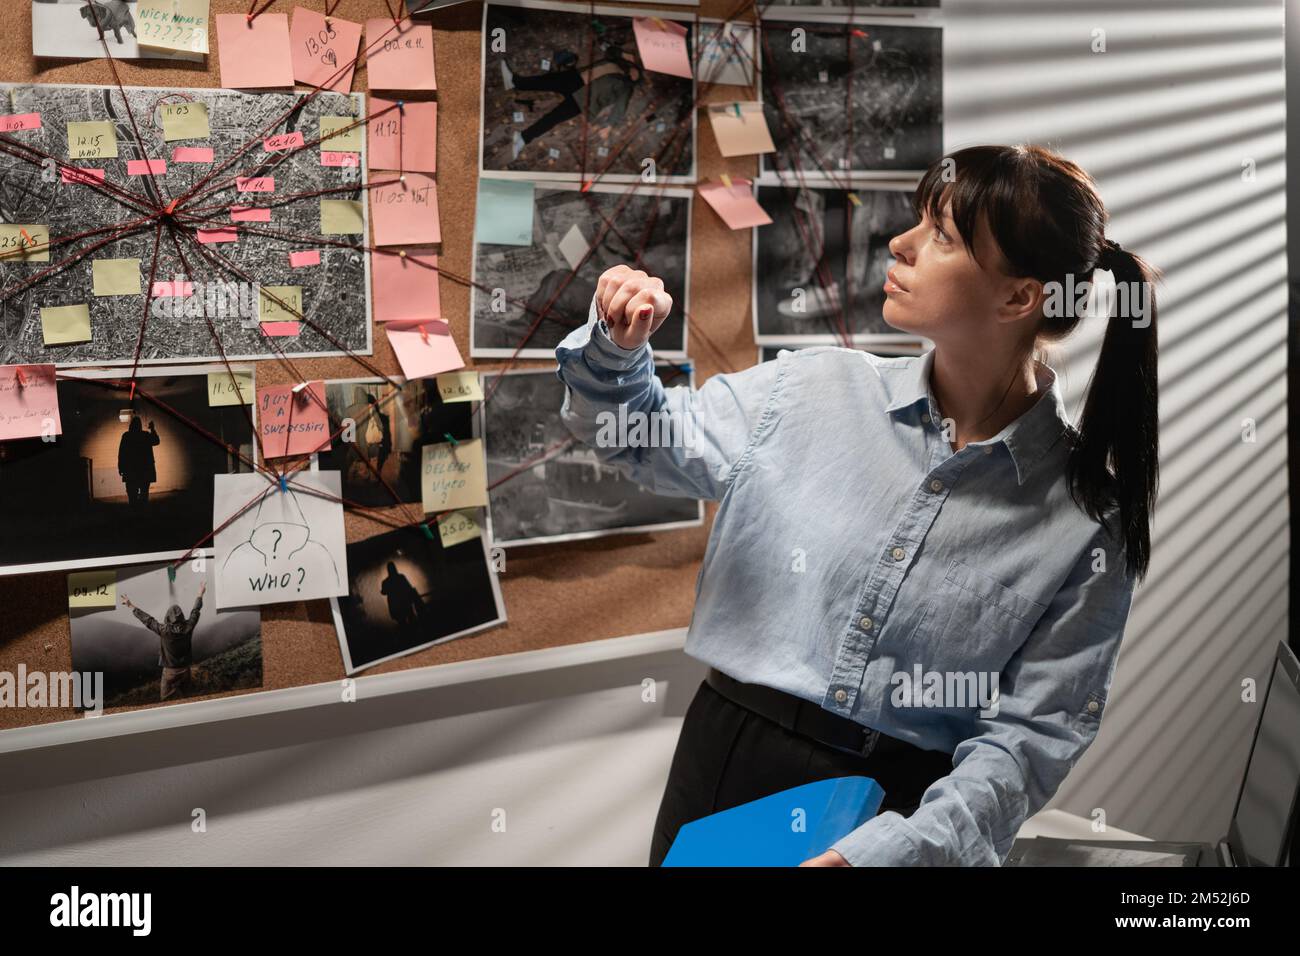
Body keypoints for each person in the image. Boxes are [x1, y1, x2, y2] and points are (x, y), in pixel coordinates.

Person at [554, 143, 1160, 867]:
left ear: (1018, 298)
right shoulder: (809, 391)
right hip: (726, 769)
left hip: (900, 818)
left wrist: (888, 853)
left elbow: (1031, 742)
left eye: (940, 234)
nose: (899, 244)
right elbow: (636, 441)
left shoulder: (1086, 521)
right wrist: (618, 350)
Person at [499, 44, 643, 160]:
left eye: (637, 75)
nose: (634, 74)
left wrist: (610, 125)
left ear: (638, 79)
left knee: (552, 118)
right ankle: (514, 82)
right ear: (634, 65)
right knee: (544, 81)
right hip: (577, 79)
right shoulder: (619, 62)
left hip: (584, 99)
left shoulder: (626, 87)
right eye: (636, 69)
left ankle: (523, 138)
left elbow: (620, 108)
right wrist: (624, 55)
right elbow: (610, 50)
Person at [122, 581, 205, 702]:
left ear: (167, 617)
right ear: (181, 616)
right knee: (188, 699)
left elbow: (148, 621)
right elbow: (195, 611)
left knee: (165, 699)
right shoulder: (189, 626)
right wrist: (200, 594)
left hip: (170, 671)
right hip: (185, 669)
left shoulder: (164, 630)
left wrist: (130, 605)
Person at [117, 416, 160, 507]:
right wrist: (152, 429)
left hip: (131, 470)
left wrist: (120, 467)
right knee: (144, 493)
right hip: (144, 470)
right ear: (140, 425)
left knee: (132, 494)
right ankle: (143, 514)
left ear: (131, 425)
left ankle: (134, 513)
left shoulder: (127, 436)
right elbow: (156, 441)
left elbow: (122, 453)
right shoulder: (145, 435)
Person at [380, 561, 421, 631]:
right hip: (405, 602)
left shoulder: (386, 582)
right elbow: (408, 588)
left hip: (396, 606)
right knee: (412, 621)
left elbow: (384, 592)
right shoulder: (401, 577)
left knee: (402, 624)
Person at [363, 392, 393, 479]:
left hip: (374, 448)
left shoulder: (362, 421)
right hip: (382, 448)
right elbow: (387, 436)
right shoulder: (384, 418)